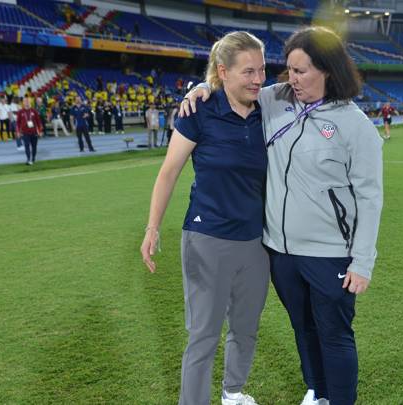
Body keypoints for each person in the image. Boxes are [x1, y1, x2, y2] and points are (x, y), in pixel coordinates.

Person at [182, 26, 383, 405]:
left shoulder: (356, 126)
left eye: (301, 71)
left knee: (335, 334)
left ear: (327, 70)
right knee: (303, 328)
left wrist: (363, 261)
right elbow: (231, 85)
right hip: (280, 251)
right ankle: (318, 392)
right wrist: (201, 86)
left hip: (330, 253)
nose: (292, 79)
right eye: (289, 70)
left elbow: (371, 197)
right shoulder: (275, 99)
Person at [141, 31, 269, 405]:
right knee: (204, 335)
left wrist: (200, 84)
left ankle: (233, 393)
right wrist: (152, 227)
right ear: (223, 71)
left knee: (245, 329)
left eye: (261, 70)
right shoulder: (200, 111)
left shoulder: (269, 108)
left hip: (257, 243)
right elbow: (168, 173)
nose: (258, 79)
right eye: (248, 72)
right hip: (207, 239)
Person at [15, 97, 43, 165]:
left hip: (34, 132)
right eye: (25, 101)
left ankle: (33, 158)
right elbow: (18, 123)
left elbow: (38, 122)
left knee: (34, 146)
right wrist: (18, 132)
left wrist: (40, 131)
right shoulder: (20, 112)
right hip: (25, 132)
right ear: (23, 103)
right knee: (26, 146)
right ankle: (28, 159)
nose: (26, 103)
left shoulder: (34, 111)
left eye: (28, 101)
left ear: (30, 102)